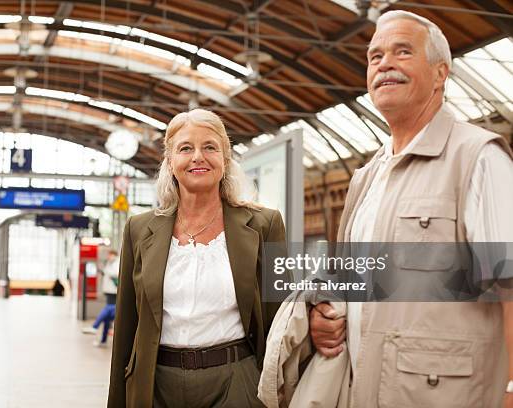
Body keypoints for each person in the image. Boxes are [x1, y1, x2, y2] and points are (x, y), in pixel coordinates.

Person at [310, 10, 513, 407]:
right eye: (375, 56)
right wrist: (324, 317)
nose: (384, 63)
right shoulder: (366, 177)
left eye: (403, 52)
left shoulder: (478, 159)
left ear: (441, 73)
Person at [107, 109, 286, 407]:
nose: (198, 157)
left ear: (225, 160)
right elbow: (126, 326)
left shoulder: (264, 225)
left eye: (210, 147)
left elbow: (280, 319)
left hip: (236, 383)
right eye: (186, 148)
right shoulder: (138, 229)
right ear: (170, 161)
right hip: (154, 385)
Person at [82, 250, 119, 347]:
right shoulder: (110, 263)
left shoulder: (116, 262)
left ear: (114, 255)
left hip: (113, 291)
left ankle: (95, 326)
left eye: (110, 255)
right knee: (107, 318)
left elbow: (116, 273)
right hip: (109, 290)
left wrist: (106, 271)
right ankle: (103, 341)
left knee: (108, 309)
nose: (109, 256)